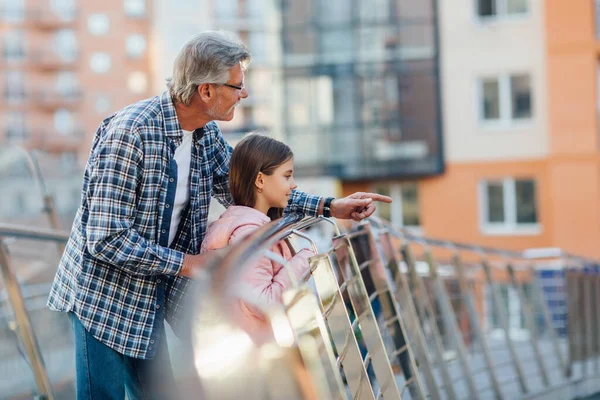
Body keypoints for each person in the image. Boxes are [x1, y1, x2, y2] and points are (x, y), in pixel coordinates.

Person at [46, 30, 391, 399]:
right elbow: (105, 239)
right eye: (236, 86)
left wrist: (328, 207)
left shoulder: (202, 134)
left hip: (148, 296)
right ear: (206, 91)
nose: (243, 94)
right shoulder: (130, 134)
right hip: (102, 297)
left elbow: (249, 187)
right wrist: (192, 263)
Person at [200, 134, 313, 342]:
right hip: (260, 354)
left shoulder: (256, 225)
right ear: (260, 180)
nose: (294, 185)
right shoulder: (247, 233)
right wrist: (307, 259)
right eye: (287, 176)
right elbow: (264, 303)